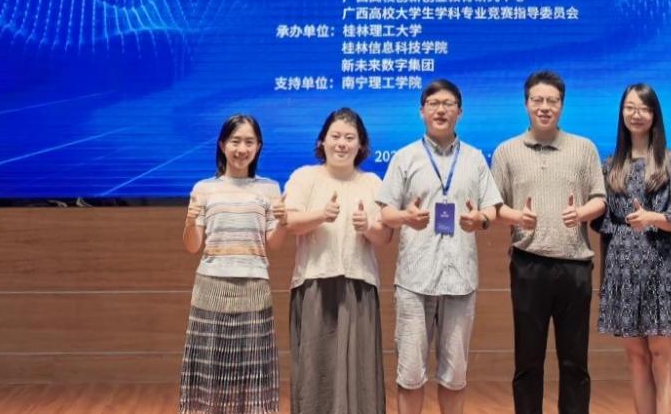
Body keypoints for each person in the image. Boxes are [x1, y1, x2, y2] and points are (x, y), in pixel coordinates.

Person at [378, 79, 503, 414]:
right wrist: (405, 217)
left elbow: (491, 208)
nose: (440, 110)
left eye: (448, 104)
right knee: (410, 375)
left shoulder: (475, 159)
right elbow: (386, 211)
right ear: (422, 111)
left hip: (460, 281)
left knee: (455, 376)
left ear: (460, 112)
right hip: (414, 282)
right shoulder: (405, 157)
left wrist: (481, 220)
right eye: (433, 103)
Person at [491, 69, 607, 414]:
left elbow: (600, 199)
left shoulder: (584, 148)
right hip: (528, 264)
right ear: (526, 103)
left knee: (575, 361)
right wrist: (517, 217)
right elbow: (494, 206)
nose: (544, 107)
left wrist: (582, 212)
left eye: (552, 101)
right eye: (537, 100)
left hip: (575, 266)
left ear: (562, 105)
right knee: (528, 360)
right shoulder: (506, 151)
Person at [596, 83, 671, 414]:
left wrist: (652, 218)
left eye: (644, 108)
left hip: (663, 266)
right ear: (622, 113)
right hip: (624, 268)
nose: (636, 114)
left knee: (662, 354)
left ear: (655, 115)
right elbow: (604, 223)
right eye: (630, 107)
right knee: (636, 356)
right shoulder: (611, 165)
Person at [285, 107, 392, 414]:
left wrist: (367, 226)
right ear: (323, 141)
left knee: (360, 370)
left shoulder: (372, 182)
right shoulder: (305, 177)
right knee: (315, 368)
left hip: (360, 286)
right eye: (335, 136)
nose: (342, 143)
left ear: (361, 145)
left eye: (349, 137)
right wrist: (321, 215)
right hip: (315, 283)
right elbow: (289, 222)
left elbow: (385, 237)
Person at [180, 113, 286, 414]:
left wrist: (285, 223)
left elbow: (274, 244)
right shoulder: (204, 188)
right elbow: (192, 246)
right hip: (210, 285)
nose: (242, 149)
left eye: (249, 142)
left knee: (253, 370)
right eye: (235, 141)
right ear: (222, 145)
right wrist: (188, 222)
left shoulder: (270, 188)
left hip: (254, 286)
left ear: (258, 147)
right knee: (208, 368)